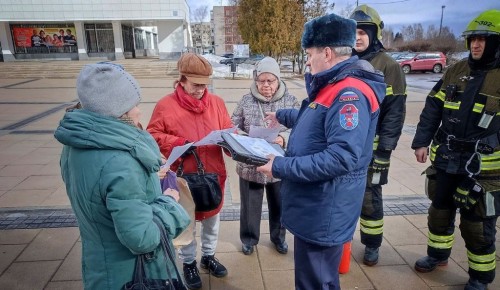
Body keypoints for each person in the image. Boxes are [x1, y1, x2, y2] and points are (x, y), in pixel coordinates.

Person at [257, 13, 386, 290]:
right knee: (314, 278)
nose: (307, 61)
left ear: (326, 53)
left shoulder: (349, 93)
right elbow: (316, 118)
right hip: (318, 205)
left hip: (326, 208)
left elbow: (342, 157)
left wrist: (280, 166)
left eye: (309, 54)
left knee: (316, 281)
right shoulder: (335, 85)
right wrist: (282, 115)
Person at [53, 62, 191, 290]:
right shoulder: (121, 162)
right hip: (133, 275)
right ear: (118, 110)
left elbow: (99, 193)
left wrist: (147, 179)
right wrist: (169, 201)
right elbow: (142, 238)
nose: (139, 111)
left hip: (101, 265)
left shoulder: (76, 144)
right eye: (134, 105)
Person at [411, 10, 500, 290]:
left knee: (477, 224)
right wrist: (421, 141)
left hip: (484, 168)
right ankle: (437, 255)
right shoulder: (456, 70)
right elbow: (433, 106)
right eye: (473, 39)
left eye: (483, 40)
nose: (476, 45)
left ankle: (480, 277)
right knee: (439, 210)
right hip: (446, 158)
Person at [147, 53, 233, 290]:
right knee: (185, 224)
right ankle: (188, 263)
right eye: (196, 85)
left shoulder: (217, 103)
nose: (201, 90)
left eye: (205, 85)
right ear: (182, 80)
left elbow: (227, 130)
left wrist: (234, 141)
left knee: (212, 221)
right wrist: (180, 142)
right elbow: (152, 135)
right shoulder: (165, 105)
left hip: (213, 173)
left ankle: (208, 256)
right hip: (182, 178)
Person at [349, 5, 407, 266]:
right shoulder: (346, 61)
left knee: (370, 198)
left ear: (374, 34)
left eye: (363, 32)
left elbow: (395, 112)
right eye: (354, 32)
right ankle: (343, 238)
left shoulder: (388, 65)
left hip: (372, 150)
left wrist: (385, 150)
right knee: (345, 195)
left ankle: (372, 245)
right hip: (346, 146)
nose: (358, 37)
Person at [231, 57, 300, 256]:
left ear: (278, 80)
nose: (266, 85)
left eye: (271, 80)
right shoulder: (246, 100)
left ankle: (278, 238)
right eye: (261, 81)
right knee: (250, 205)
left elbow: (300, 129)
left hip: (279, 164)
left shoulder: (290, 100)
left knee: (279, 204)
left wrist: (283, 137)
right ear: (255, 81)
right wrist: (244, 138)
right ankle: (249, 239)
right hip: (250, 164)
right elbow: (233, 125)